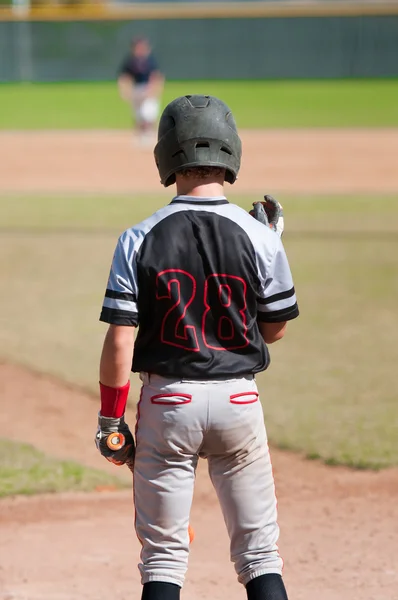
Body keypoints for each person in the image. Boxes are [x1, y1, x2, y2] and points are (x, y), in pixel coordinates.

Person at [96, 95, 299, 600]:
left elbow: (120, 338)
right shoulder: (259, 235)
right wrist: (271, 242)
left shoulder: (137, 237)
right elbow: (274, 330)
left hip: (168, 403)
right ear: (231, 152)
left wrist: (109, 421)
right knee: (259, 555)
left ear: (166, 156)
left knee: (163, 557)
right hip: (239, 402)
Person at [117, 37, 164, 145]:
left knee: (148, 113)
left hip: (147, 88)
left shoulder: (150, 60)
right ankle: (140, 135)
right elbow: (124, 76)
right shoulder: (131, 61)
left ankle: (149, 135)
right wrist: (124, 90)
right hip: (136, 88)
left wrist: (153, 89)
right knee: (138, 114)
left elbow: (156, 76)